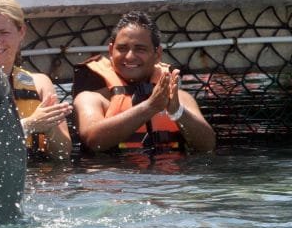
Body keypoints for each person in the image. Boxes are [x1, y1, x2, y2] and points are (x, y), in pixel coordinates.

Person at [73, 11, 216, 154]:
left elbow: (207, 145)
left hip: (171, 173)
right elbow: (93, 141)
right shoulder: (90, 98)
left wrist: (177, 111)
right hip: (115, 174)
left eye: (140, 49)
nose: (129, 57)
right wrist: (150, 107)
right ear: (111, 51)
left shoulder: (180, 98)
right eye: (122, 49)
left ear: (157, 54)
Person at [0, 0, 73, 161]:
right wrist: (29, 125)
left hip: (36, 176)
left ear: (21, 32)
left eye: (4, 32)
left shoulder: (40, 83)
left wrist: (49, 128)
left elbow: (62, 155)